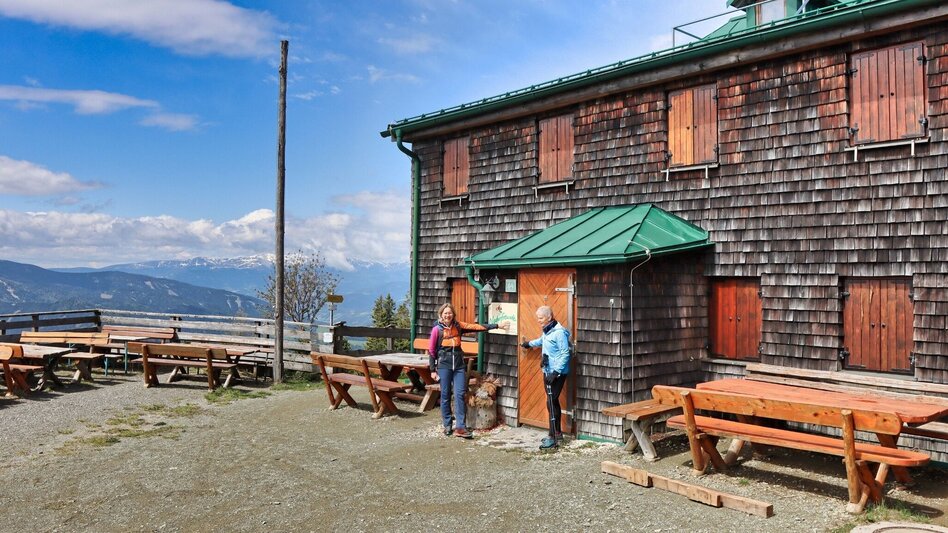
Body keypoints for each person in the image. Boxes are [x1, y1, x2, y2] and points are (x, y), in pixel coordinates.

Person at [428, 303, 506, 439]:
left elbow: (476, 327)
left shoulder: (458, 326)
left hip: (458, 366)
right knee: (445, 395)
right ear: (441, 315)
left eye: (450, 313)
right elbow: (431, 350)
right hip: (444, 366)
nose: (448, 315)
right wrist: (432, 370)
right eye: (445, 313)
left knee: (460, 394)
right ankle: (447, 425)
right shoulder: (437, 330)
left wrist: (497, 325)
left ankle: (460, 427)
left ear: (453, 314)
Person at [520, 305, 571, 450]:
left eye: (541, 318)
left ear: (549, 317)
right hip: (547, 370)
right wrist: (529, 344)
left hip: (556, 373)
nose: (538, 320)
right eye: (538, 317)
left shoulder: (559, 332)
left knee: (551, 401)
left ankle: (553, 437)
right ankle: (557, 433)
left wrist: (555, 372)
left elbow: (565, 353)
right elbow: (542, 340)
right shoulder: (548, 330)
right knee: (551, 401)